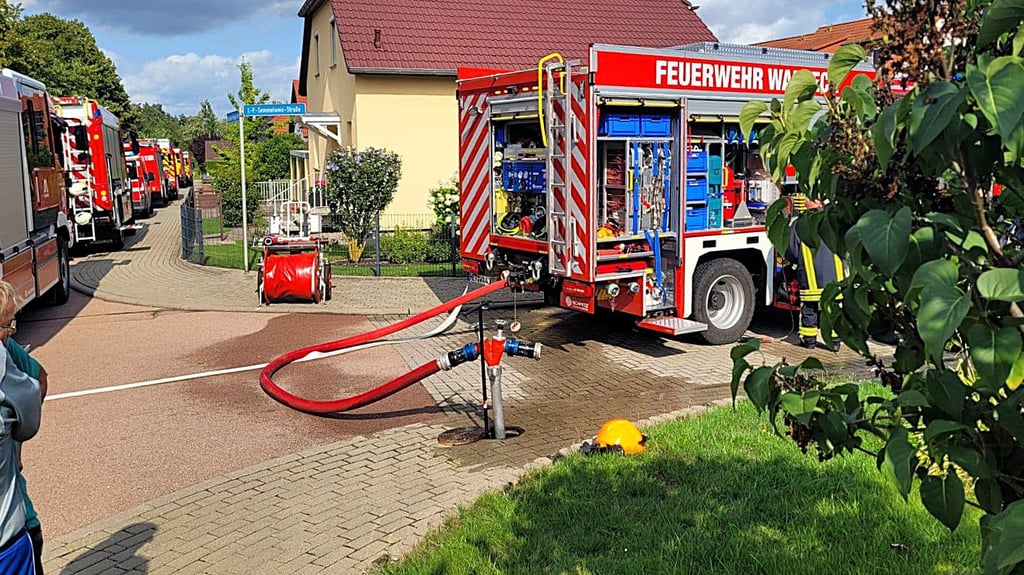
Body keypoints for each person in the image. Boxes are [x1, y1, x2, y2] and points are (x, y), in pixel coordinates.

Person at [0, 282, 42, 574]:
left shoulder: (8, 350)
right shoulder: (2, 360)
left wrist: (15, 448)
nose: (9, 333)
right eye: (6, 326)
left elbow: (39, 377)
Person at [785, 197, 845, 351]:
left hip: (810, 276)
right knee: (833, 308)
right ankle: (835, 342)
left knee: (809, 308)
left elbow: (791, 250)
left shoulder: (800, 224)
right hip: (834, 277)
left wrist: (794, 263)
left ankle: (809, 341)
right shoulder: (832, 220)